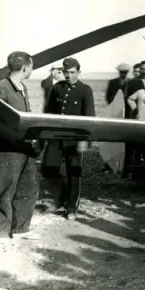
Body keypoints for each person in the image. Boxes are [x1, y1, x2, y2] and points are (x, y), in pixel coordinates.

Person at [0, 51, 42, 246]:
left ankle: (20, 228)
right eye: (31, 66)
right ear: (24, 68)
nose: (32, 69)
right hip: (8, 147)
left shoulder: (22, 88)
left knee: (28, 185)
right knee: (5, 188)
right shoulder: (1, 88)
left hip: (24, 146)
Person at [42, 57, 96, 220]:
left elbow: (89, 117)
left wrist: (84, 140)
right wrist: (45, 135)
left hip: (74, 138)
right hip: (56, 137)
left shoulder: (85, 90)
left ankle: (72, 207)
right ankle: (61, 198)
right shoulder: (57, 88)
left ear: (78, 72)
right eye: (66, 72)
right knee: (48, 168)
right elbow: (49, 112)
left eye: (72, 72)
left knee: (74, 173)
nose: (69, 76)